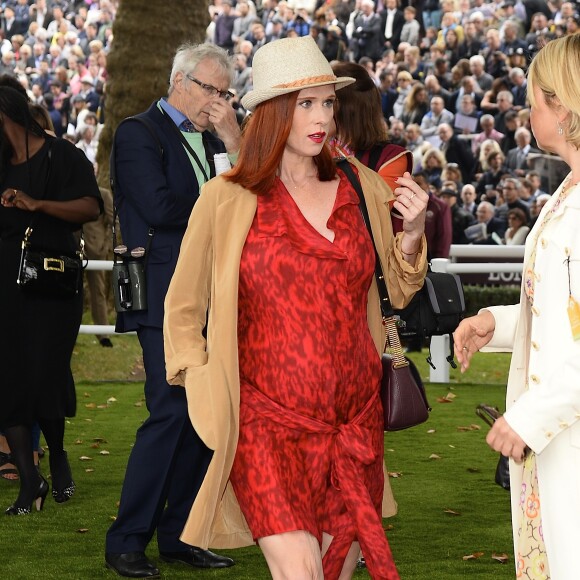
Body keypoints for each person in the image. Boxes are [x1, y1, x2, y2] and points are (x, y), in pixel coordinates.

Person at [164, 35, 428, 580]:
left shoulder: (363, 187)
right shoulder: (227, 197)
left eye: (327, 103)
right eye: (305, 103)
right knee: (302, 573)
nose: (322, 118)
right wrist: (203, 386)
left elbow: (399, 291)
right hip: (266, 427)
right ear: (271, 112)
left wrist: (414, 233)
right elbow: (183, 304)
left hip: (354, 428)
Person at [104, 43, 240, 578]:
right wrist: (218, 196)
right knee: (170, 414)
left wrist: (232, 141)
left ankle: (181, 535)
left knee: (202, 419)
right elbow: (160, 207)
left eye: (226, 92)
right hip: (162, 295)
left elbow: (248, 199)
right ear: (180, 82)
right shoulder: (138, 132)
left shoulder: (214, 140)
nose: (220, 101)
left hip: (211, 296)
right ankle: (126, 541)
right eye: (213, 90)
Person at [454, 34, 580, 579]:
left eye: (535, 99)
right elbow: (560, 306)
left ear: (564, 105)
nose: (528, 111)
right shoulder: (567, 190)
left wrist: (530, 416)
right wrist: (496, 321)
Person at [0, 86, 102, 514]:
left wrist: (36, 204)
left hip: (51, 286)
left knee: (44, 377)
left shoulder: (62, 156)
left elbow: (91, 207)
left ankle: (57, 454)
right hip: (6, 286)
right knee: (7, 383)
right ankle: (30, 481)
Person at [330, 61, 412, 192]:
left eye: (327, 101)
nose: (317, 110)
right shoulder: (309, 150)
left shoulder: (390, 157)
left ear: (347, 107)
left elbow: (377, 209)